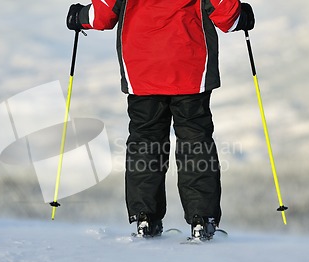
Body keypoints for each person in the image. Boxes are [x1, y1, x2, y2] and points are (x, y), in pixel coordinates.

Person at [66, 0, 254, 240]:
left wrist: (79, 15)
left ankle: (145, 219)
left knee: (145, 140)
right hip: (191, 66)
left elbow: (102, 15)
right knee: (195, 139)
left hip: (141, 68)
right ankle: (202, 220)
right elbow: (227, 16)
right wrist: (243, 16)